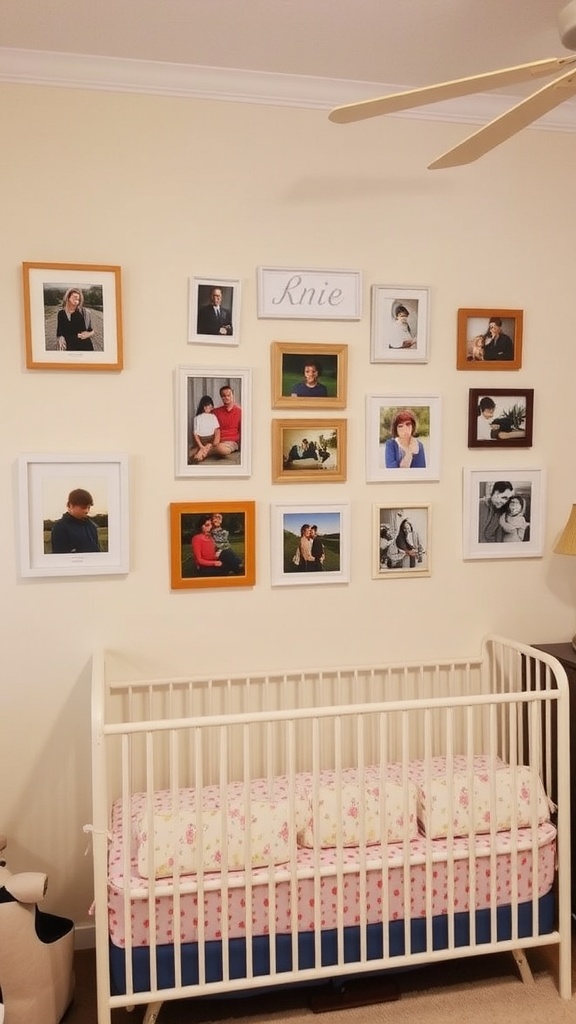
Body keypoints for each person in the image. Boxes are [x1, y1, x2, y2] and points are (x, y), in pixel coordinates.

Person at [51, 488, 100, 553]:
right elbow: (61, 558)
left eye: (89, 507)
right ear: (70, 505)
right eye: (83, 507)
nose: (87, 511)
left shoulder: (91, 526)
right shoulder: (60, 528)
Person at [189, 395, 221, 463]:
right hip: (201, 440)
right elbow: (195, 434)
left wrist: (215, 441)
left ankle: (198, 456)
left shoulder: (213, 417)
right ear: (202, 406)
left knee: (208, 446)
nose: (208, 407)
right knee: (191, 452)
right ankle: (199, 454)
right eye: (206, 405)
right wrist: (201, 446)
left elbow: (217, 430)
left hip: (211, 439)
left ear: (212, 406)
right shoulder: (197, 418)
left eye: (209, 405)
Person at [212, 384, 241, 458]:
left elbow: (242, 431)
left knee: (221, 449)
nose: (226, 397)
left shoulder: (239, 411)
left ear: (233, 396)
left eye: (229, 395)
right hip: (217, 440)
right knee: (192, 450)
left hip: (232, 441)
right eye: (224, 396)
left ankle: (204, 452)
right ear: (221, 397)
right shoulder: (215, 411)